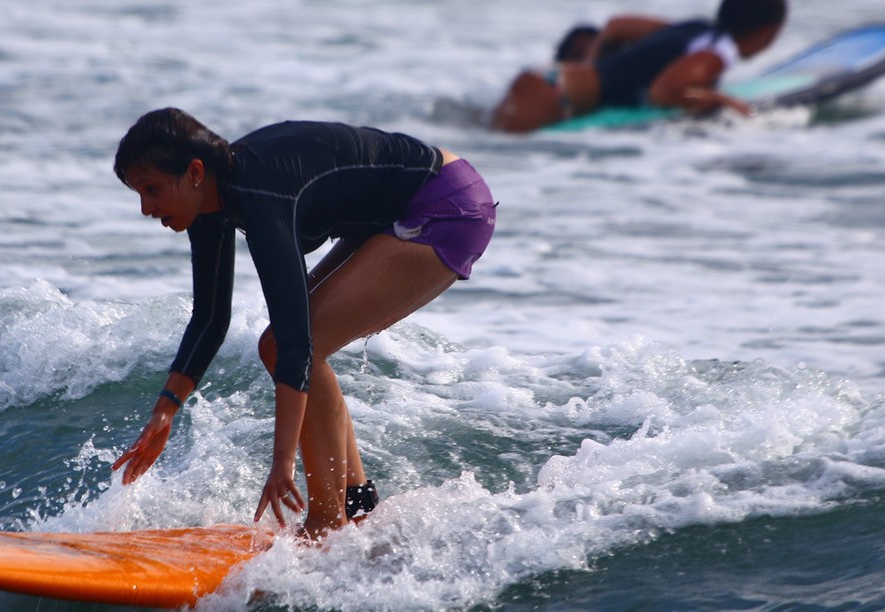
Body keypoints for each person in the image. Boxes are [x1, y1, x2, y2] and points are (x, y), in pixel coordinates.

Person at [110, 109, 497, 538]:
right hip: (399, 210)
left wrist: (282, 465)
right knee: (283, 341)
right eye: (138, 194)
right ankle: (356, 504)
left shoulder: (259, 191)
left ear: (195, 172)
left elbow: (297, 345)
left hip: (445, 206)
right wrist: (163, 414)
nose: (146, 208)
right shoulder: (211, 203)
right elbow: (209, 319)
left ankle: (326, 524)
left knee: (289, 343)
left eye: (151, 190)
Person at [491, 0, 787, 133]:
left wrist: (593, 68)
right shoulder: (720, 52)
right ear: (765, 34)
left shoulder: (692, 30)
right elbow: (665, 92)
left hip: (550, 80)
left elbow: (617, 26)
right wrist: (722, 100)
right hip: (556, 96)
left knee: (478, 144)